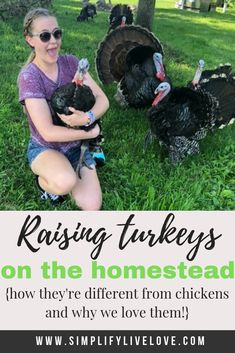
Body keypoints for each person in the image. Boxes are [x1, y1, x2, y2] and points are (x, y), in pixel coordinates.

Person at [18, 8, 109, 210]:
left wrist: (88, 117)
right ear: (29, 40)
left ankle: (69, 168)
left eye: (57, 33)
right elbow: (48, 132)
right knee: (65, 182)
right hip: (46, 148)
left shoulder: (71, 63)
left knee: (92, 205)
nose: (53, 41)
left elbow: (102, 99)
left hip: (76, 147)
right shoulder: (30, 77)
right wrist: (91, 131)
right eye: (44, 36)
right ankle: (44, 182)